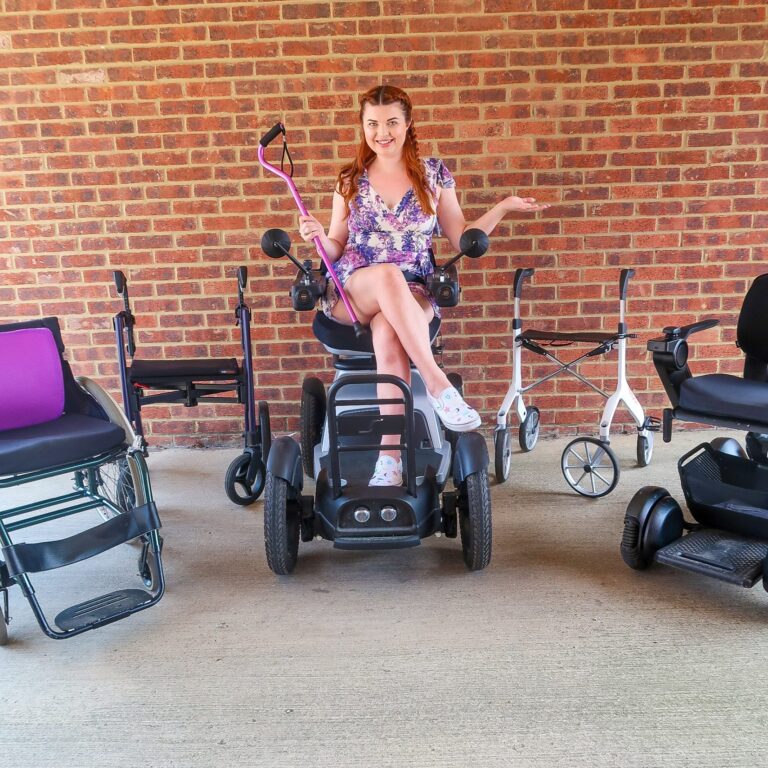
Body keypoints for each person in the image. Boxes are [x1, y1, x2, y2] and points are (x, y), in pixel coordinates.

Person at [298, 84, 549, 486]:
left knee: (387, 334)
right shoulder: (350, 179)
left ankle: (389, 461)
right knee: (385, 275)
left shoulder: (433, 175)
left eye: (392, 122)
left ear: (408, 123)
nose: (383, 132)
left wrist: (502, 207)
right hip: (354, 289)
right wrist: (315, 235)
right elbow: (336, 245)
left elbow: (460, 234)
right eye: (373, 124)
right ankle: (437, 384)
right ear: (363, 127)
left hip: (414, 288)